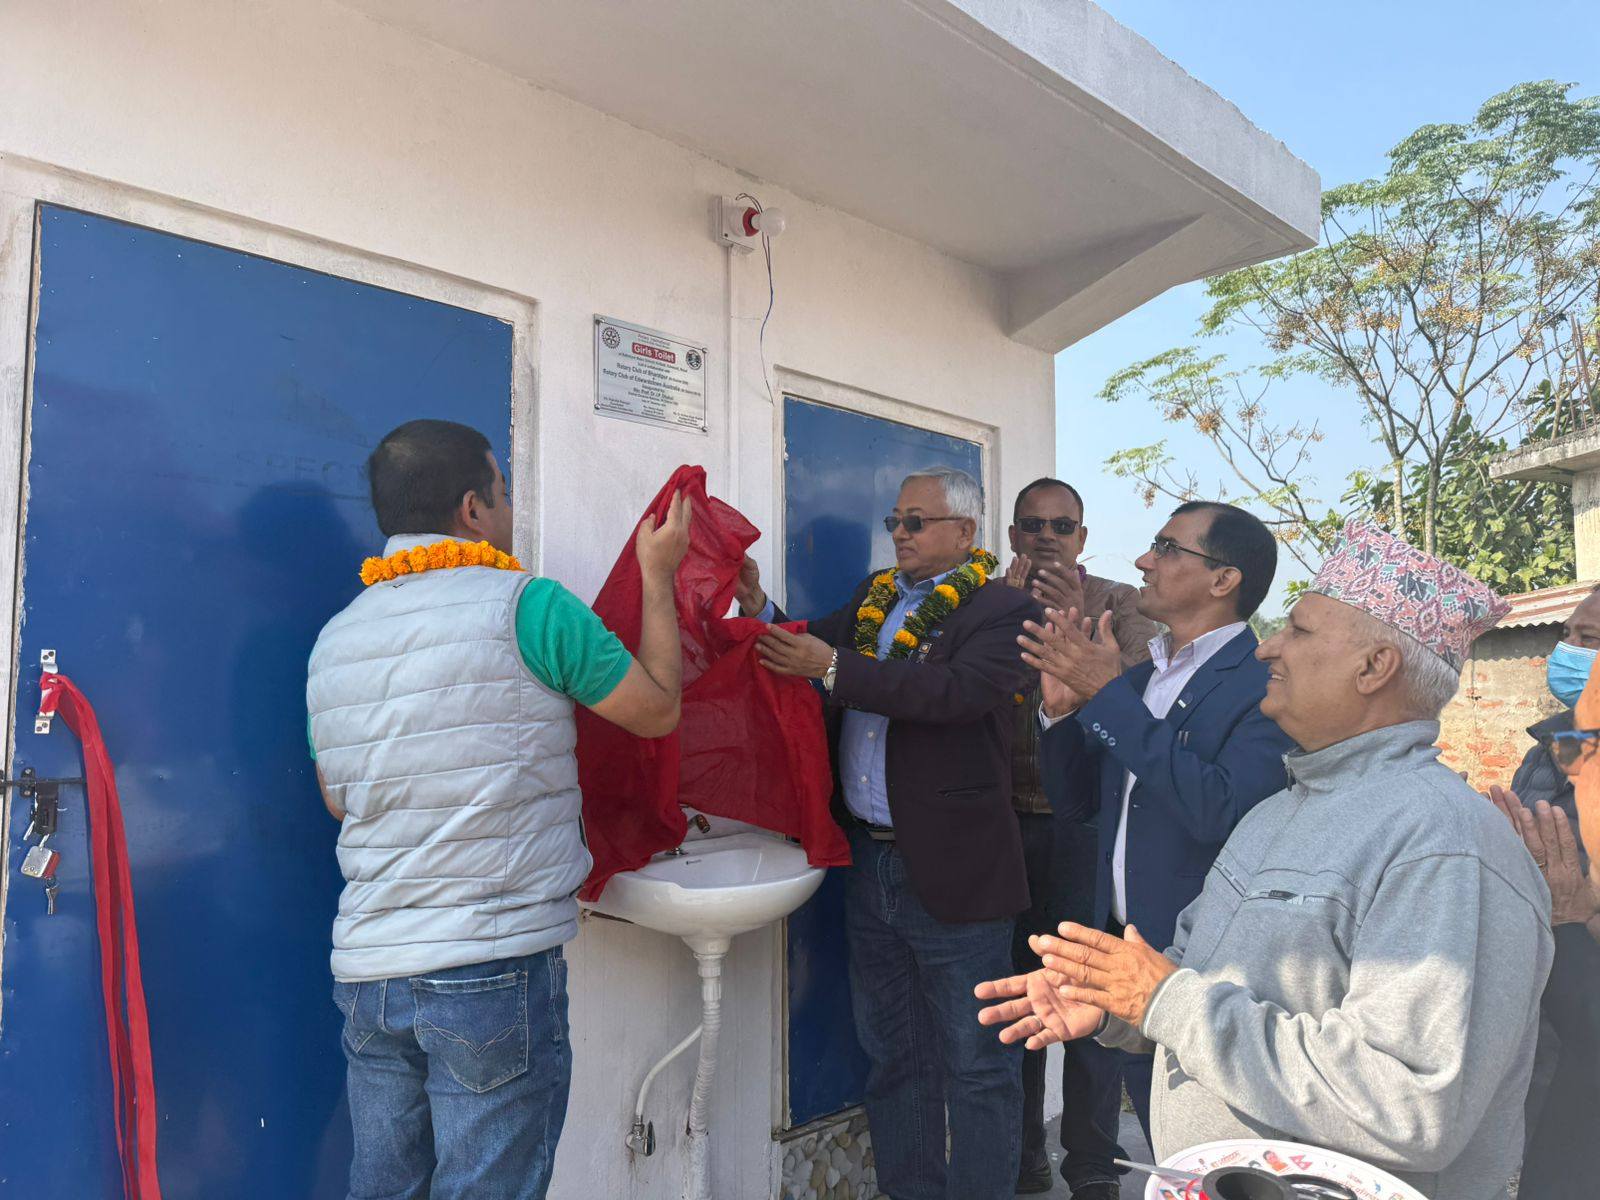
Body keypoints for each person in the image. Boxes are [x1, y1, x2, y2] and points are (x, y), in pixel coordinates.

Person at [981, 520, 1553, 1200]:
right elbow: (1202, 988)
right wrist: (1117, 1008)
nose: (1268, 648)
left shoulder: (1442, 843)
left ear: (1375, 668)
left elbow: (1415, 1105)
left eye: (1301, 632)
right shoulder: (1276, 815)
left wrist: (1163, 1000)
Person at [306, 419, 691, 1200]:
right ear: (473, 509)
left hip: (372, 974)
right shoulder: (531, 607)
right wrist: (659, 575)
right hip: (491, 967)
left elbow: (339, 801)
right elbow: (655, 713)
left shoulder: (335, 640)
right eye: (505, 493)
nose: (512, 511)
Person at [737, 465, 1037, 1200]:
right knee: (894, 1055)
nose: (898, 534)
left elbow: (956, 694)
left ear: (964, 534)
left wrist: (837, 666)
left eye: (915, 522)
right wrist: (760, 606)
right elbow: (813, 650)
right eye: (894, 522)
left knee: (976, 1064)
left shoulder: (1001, 611)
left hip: (955, 872)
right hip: (871, 863)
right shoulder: (876, 600)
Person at [1024, 500, 1293, 1200]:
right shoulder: (1141, 675)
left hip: (1204, 964)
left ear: (1223, 579)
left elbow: (1218, 808)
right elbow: (1083, 805)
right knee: (1171, 1152)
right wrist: (1059, 710)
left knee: (1218, 1156)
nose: (1145, 560)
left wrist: (1107, 697)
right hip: (1124, 948)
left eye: (1168, 548)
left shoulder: (1262, 682)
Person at [1002, 477, 1156, 1195]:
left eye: (1062, 526)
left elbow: (1149, 696)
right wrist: (1006, 613)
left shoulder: (1123, 606)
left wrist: (1079, 644)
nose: (1046, 537)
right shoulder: (987, 604)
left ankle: (1094, 1171)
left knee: (1094, 1006)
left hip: (1089, 833)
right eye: (1032, 525)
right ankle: (1025, 1159)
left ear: (1083, 539)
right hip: (1002, 833)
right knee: (1019, 1007)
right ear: (1013, 536)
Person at [1482, 589, 1600, 1200]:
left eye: (1592, 641)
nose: (1571, 653)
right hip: (1538, 1017)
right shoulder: (1552, 747)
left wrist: (1584, 912)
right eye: (1572, 637)